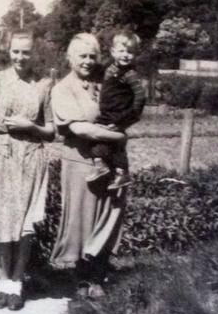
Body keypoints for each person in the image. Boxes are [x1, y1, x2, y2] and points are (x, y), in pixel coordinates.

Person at [0, 32, 55, 311]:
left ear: (35, 53)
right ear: (8, 51)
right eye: (16, 51)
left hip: (31, 156)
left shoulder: (44, 84)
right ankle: (2, 282)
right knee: (0, 222)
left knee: (23, 227)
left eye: (26, 52)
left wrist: (30, 127)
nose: (21, 57)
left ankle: (17, 283)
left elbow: (51, 131)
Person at [49, 33, 128, 299]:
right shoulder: (62, 89)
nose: (88, 61)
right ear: (70, 58)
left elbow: (125, 111)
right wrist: (117, 135)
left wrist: (117, 130)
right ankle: (82, 278)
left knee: (108, 214)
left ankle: (99, 276)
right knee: (82, 219)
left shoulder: (106, 83)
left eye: (92, 56)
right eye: (82, 55)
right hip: (79, 163)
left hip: (112, 161)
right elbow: (80, 129)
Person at [86, 31, 146, 189]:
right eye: (121, 51)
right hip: (106, 113)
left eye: (130, 52)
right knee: (104, 140)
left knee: (113, 139)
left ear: (135, 54)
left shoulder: (130, 74)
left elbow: (141, 97)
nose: (125, 55)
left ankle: (121, 172)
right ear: (113, 52)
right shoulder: (109, 67)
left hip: (118, 115)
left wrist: (124, 121)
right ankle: (105, 166)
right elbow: (95, 75)